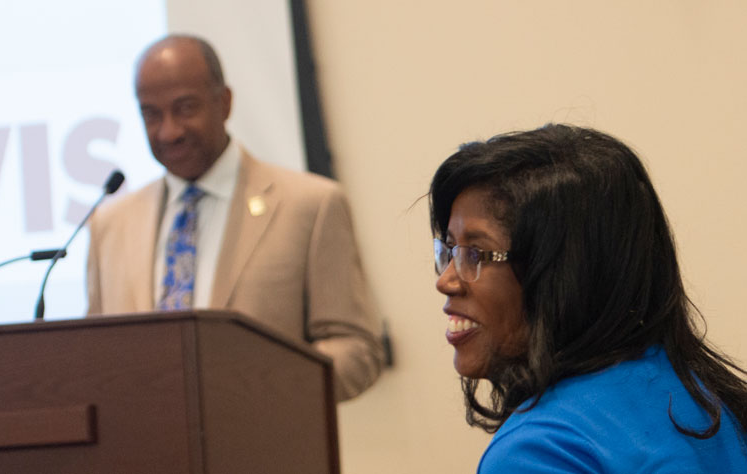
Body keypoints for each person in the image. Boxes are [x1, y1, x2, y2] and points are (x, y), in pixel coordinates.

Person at [429, 124, 747, 472]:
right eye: (448, 249)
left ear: (566, 272)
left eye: (475, 252)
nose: (446, 281)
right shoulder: (701, 395)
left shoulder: (537, 453)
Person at [86, 34, 383, 402]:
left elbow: (358, 350)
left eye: (185, 108)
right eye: (151, 114)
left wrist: (260, 385)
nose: (169, 131)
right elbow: (93, 357)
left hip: (263, 449)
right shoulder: (109, 224)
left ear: (224, 102)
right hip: (143, 453)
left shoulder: (311, 206)